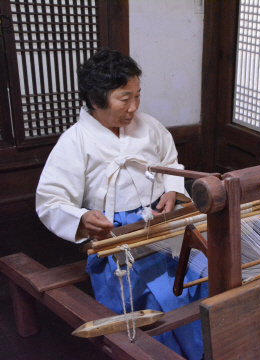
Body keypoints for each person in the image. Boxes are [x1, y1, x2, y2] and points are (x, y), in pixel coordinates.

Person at [36, 48, 207, 360]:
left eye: (137, 96)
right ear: (97, 99)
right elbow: (50, 199)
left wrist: (171, 190)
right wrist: (82, 217)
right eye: (124, 99)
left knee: (203, 274)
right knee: (153, 300)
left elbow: (170, 162)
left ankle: (211, 350)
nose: (134, 107)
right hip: (116, 238)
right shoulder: (74, 142)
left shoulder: (149, 126)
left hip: (160, 224)